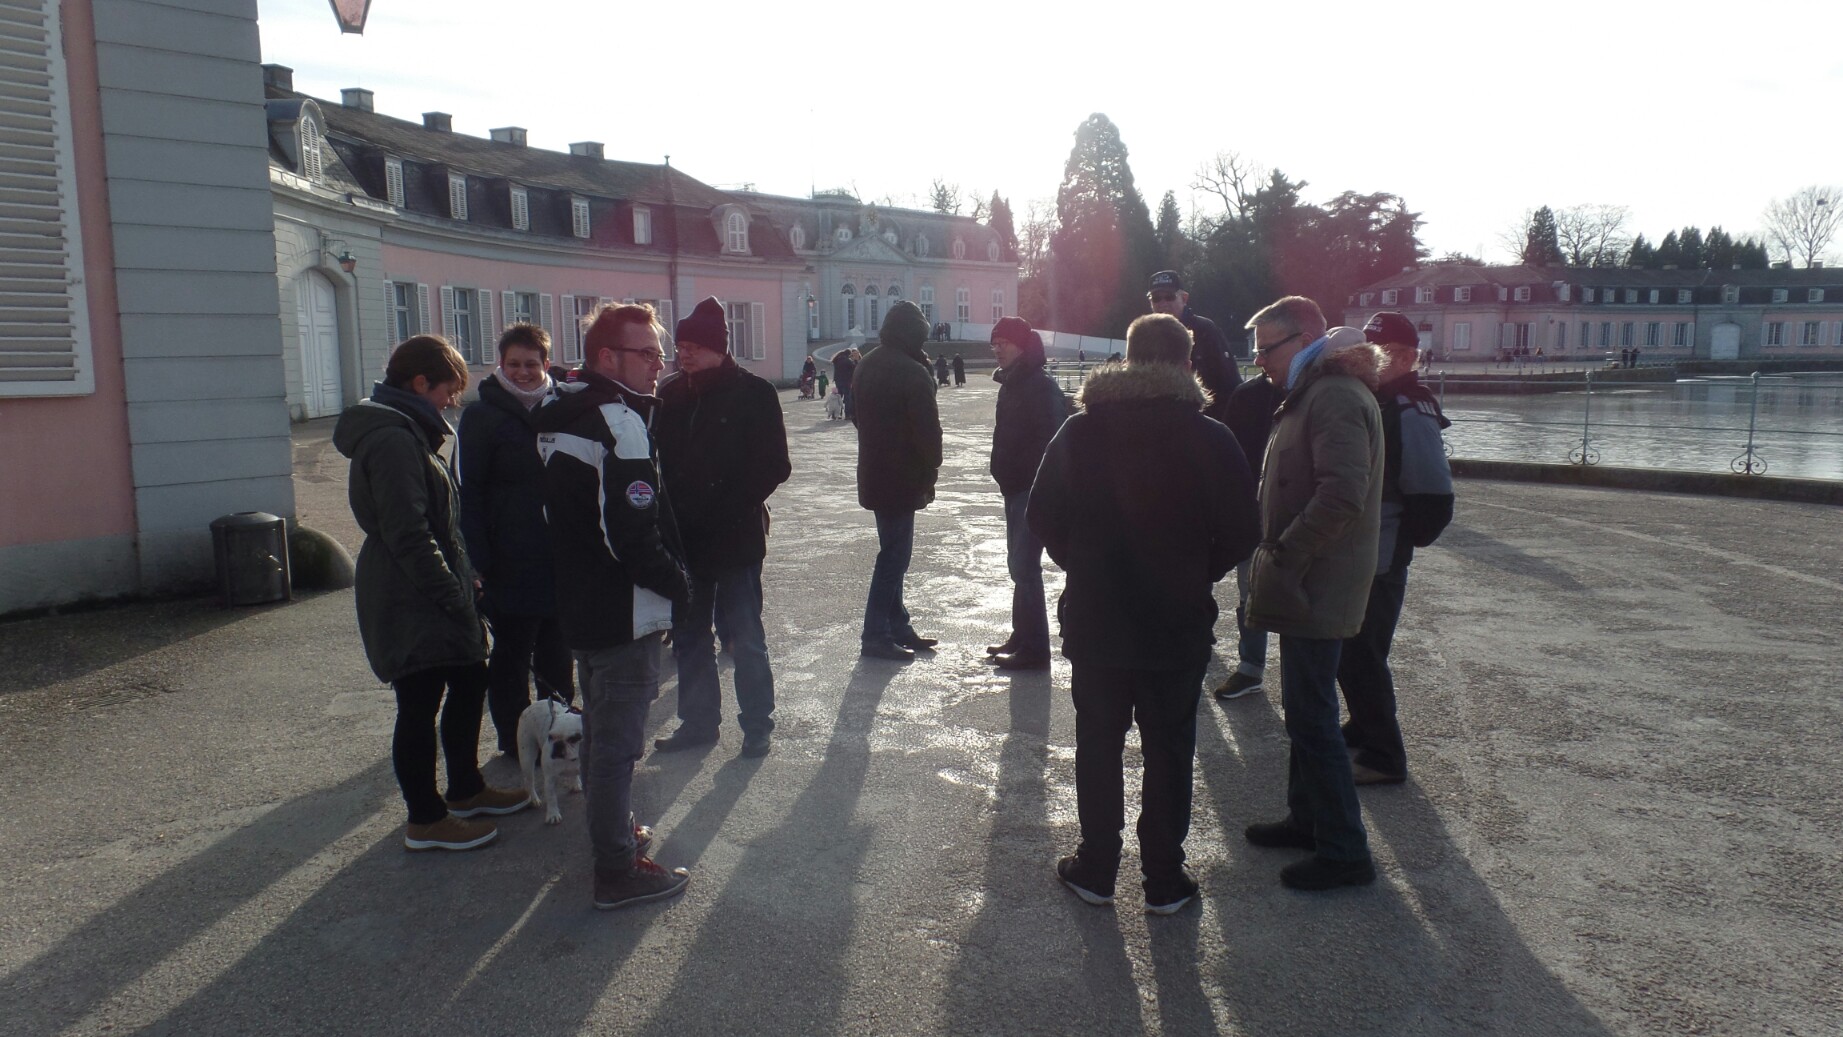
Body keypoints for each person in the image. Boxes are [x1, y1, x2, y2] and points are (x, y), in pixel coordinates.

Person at [1031, 313, 1259, 915]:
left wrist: (1082, 561)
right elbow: (1243, 530)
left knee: (1098, 741)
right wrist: (1195, 570)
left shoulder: (1081, 432)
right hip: (1175, 618)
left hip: (1098, 614)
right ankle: (1162, 876)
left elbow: (1041, 514)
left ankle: (1098, 867)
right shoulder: (1211, 437)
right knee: (1169, 745)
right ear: (1189, 363)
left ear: (1127, 361)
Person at [334, 335, 529, 852]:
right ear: (420, 384)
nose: (451, 401)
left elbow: (434, 525)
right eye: (448, 390)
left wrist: (464, 574)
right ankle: (425, 818)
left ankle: (465, 789)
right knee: (419, 701)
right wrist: (453, 590)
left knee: (469, 680)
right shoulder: (395, 439)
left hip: (424, 585)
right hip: (410, 594)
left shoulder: (404, 431)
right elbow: (409, 533)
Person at [535, 303, 693, 910]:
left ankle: (613, 834)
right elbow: (631, 531)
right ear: (607, 358)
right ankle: (617, 869)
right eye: (647, 353)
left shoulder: (558, 413)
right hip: (622, 609)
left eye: (659, 352)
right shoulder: (616, 420)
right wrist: (679, 583)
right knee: (618, 744)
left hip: (581, 601)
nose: (660, 364)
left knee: (603, 731)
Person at [1240, 297, 1386, 892]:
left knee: (1314, 715)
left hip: (1318, 579)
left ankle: (1345, 849)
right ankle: (1310, 820)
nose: (1258, 362)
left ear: (1303, 340)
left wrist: (1287, 553)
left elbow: (1341, 494)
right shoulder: (1320, 392)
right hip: (1313, 578)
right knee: (1307, 708)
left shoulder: (1332, 397)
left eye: (1265, 349)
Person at [651, 298, 792, 758]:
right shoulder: (670, 395)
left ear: (718, 348)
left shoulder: (754, 393)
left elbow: (774, 465)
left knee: (745, 636)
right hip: (685, 543)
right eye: (681, 345)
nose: (683, 353)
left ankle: (757, 724)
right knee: (691, 638)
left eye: (694, 345)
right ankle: (698, 724)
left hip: (734, 538)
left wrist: (726, 508)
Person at [1338, 312, 1454, 785]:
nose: (1370, 357)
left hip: (1382, 554)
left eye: (1380, 351)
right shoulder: (1383, 399)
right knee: (1354, 648)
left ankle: (1385, 756)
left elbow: (1433, 496)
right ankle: (1364, 727)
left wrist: (1401, 541)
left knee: (1363, 652)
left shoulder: (1408, 407)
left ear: (1408, 357)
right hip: (1371, 548)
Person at [457, 324, 574, 758]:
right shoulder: (482, 416)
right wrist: (478, 559)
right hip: (509, 554)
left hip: (559, 551)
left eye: (531, 364)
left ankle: (559, 735)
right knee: (511, 654)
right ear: (500, 364)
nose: (523, 372)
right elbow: (471, 493)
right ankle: (514, 738)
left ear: (546, 363)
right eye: (514, 364)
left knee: (558, 650)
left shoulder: (562, 406)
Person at [854, 300, 943, 661]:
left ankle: (897, 624)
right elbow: (928, 432)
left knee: (892, 550)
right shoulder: (912, 371)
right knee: (894, 557)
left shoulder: (866, 364)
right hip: (903, 477)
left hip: (875, 473)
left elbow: (855, 415)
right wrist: (932, 464)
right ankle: (875, 633)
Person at [986, 317, 1067, 671]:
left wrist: (1035, 483)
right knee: (1017, 565)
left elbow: (1052, 442)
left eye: (1003, 342)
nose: (997, 348)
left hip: (1031, 490)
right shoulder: (1012, 384)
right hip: (1014, 487)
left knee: (1025, 566)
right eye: (994, 343)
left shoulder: (1039, 386)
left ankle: (1035, 648)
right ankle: (1022, 634)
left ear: (1022, 345)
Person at [1212, 362, 1288, 701]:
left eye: (1267, 349)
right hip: (1253, 512)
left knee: (1300, 601)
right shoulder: (1246, 396)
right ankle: (1251, 668)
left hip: (1295, 512)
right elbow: (1227, 459)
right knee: (1249, 594)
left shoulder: (1316, 393)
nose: (1260, 358)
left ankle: (1296, 682)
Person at [1148, 270, 1241, 420]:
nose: (1162, 303)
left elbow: (1230, 384)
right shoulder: (1145, 335)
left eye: (1169, 297)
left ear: (1184, 298)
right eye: (1156, 298)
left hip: (1204, 423)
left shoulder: (1206, 330)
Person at [833, 347, 857, 422]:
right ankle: (847, 415)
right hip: (846, 381)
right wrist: (855, 361)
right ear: (849, 354)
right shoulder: (848, 361)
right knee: (847, 398)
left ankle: (836, 414)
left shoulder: (836, 360)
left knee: (838, 398)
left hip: (838, 381)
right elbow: (854, 368)